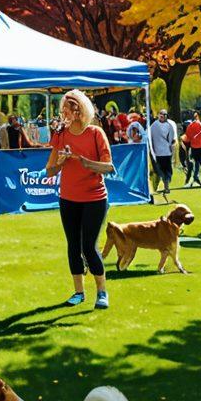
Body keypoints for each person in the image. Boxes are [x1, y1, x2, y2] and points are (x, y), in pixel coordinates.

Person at [46, 90, 115, 310]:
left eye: (67, 108)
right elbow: (49, 171)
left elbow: (109, 167)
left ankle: (102, 292)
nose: (63, 112)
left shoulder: (95, 133)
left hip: (94, 198)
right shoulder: (61, 135)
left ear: (79, 111)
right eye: (63, 108)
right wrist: (61, 162)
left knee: (89, 247)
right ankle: (78, 292)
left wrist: (87, 163)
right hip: (68, 198)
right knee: (73, 246)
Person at [148, 108, 178, 201]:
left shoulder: (169, 126)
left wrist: (171, 146)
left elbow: (172, 138)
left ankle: (166, 183)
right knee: (161, 170)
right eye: (161, 114)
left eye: (164, 115)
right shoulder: (153, 126)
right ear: (158, 115)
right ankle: (166, 185)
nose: (163, 116)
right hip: (158, 153)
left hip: (167, 152)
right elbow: (149, 137)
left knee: (168, 170)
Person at [183, 111, 201, 187]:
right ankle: (196, 178)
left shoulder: (192, 126)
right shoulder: (199, 125)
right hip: (199, 147)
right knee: (198, 163)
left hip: (196, 147)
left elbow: (188, 138)